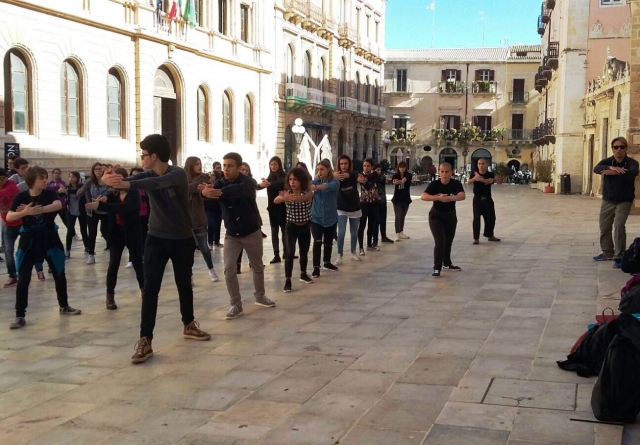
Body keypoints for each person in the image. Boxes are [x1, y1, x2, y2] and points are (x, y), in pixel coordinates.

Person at [101, 134, 211, 365]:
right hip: (155, 238)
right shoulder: (147, 173)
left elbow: (153, 184)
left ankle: (188, 323)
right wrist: (109, 180)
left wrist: (126, 183)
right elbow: (138, 180)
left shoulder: (177, 174)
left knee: (184, 283)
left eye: (143, 155)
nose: (141, 159)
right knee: (150, 288)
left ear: (154, 156)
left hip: (181, 239)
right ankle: (145, 340)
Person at [201, 152, 276, 320]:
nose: (226, 169)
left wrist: (215, 191)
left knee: (257, 266)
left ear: (238, 167)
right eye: (224, 165)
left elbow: (236, 191)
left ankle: (260, 296)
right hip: (231, 234)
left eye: (230, 166)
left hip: (251, 231)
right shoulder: (219, 183)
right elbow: (208, 197)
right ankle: (236, 304)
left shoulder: (248, 182)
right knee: (229, 269)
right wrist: (204, 193)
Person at [8, 166, 82, 329]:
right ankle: (20, 315)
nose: (45, 180)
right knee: (24, 279)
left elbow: (57, 205)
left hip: (50, 239)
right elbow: (9, 215)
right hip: (28, 242)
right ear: (32, 180)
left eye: (45, 177)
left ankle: (64, 305)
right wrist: (25, 212)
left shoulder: (49, 193)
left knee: (59, 273)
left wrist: (35, 210)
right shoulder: (21, 197)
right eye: (41, 178)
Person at [86, 168, 144, 310]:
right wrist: (100, 203)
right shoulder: (112, 194)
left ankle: (145, 292)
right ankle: (110, 296)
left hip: (132, 232)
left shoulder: (134, 194)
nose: (116, 182)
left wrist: (102, 205)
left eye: (119, 179)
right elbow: (106, 205)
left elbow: (124, 207)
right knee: (113, 264)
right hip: (116, 233)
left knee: (138, 263)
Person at [593, 137, 640, 268]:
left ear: (626, 149)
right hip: (608, 200)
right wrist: (611, 167)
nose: (619, 149)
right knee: (604, 227)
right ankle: (607, 252)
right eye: (616, 147)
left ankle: (619, 255)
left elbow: (633, 172)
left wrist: (614, 173)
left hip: (624, 200)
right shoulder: (608, 161)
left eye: (622, 147)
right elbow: (596, 168)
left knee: (619, 226)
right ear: (612, 148)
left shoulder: (632, 162)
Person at [421, 163, 465, 277]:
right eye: (442, 171)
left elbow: (462, 195)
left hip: (450, 215)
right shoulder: (434, 184)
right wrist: (438, 198)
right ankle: (437, 267)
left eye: (446, 172)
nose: (444, 174)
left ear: (451, 172)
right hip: (436, 215)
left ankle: (447, 263)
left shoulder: (455, 183)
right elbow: (423, 196)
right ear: (439, 172)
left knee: (448, 241)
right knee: (440, 241)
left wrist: (449, 198)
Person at [275, 168, 313, 292]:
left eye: (295, 179)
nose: (292, 182)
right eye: (290, 179)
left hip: (305, 226)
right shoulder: (287, 192)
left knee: (304, 251)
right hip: (291, 227)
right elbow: (276, 200)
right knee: (290, 253)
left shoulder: (307, 192)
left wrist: (289, 198)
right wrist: (282, 198)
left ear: (301, 180)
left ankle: (303, 274)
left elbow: (304, 198)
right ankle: (288, 280)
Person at [184, 156, 219, 282]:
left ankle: (211, 269)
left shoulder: (204, 177)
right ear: (190, 165)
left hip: (198, 218)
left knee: (204, 246)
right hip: (185, 221)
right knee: (188, 249)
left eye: (200, 163)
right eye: (196, 164)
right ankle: (189, 275)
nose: (199, 166)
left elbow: (191, 187)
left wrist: (184, 187)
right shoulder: (183, 177)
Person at [309, 159, 340, 278]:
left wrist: (316, 185)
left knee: (328, 242)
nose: (320, 171)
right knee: (317, 241)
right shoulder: (315, 181)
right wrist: (316, 180)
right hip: (316, 217)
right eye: (318, 170)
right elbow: (309, 185)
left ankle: (327, 262)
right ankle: (316, 267)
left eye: (322, 169)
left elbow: (326, 186)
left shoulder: (335, 182)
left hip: (330, 217)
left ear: (328, 170)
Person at [467, 158, 501, 245]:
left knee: (491, 218)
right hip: (477, 199)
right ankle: (476, 238)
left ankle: (490, 235)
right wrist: (475, 178)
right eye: (479, 164)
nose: (481, 165)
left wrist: (481, 179)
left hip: (488, 199)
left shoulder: (490, 174)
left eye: (483, 163)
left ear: (487, 165)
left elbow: (491, 181)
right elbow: (468, 182)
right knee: (476, 219)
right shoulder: (474, 174)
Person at [335, 155, 362, 264]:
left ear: (349, 164)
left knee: (354, 232)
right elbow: (328, 177)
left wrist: (347, 175)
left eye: (345, 163)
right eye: (341, 164)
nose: (343, 166)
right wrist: (333, 175)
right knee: (341, 232)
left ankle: (353, 252)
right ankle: (339, 255)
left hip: (354, 207)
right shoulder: (336, 176)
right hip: (341, 208)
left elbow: (353, 174)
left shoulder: (353, 174)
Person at [82, 162, 110, 265]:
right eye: (96, 169)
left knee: (106, 231)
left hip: (106, 210)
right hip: (93, 211)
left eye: (99, 169)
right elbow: (81, 191)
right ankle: (91, 255)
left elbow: (113, 191)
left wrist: (107, 197)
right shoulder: (90, 181)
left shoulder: (107, 180)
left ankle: (111, 248)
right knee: (92, 233)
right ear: (93, 171)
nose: (98, 171)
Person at [0, 168, 21, 287]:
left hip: (22, 222)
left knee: (32, 247)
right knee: (8, 251)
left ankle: (41, 268)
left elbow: (7, 192)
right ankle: (13, 276)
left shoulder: (11, 185)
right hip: (8, 224)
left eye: (2, 179)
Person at [126, 166, 149, 268]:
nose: (135, 176)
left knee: (144, 236)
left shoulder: (146, 186)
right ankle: (132, 258)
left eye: (138, 174)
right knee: (133, 238)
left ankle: (144, 256)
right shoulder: (129, 187)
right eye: (134, 174)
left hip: (145, 214)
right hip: (133, 215)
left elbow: (148, 198)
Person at [265, 156, 287, 263]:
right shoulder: (268, 178)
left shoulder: (284, 176)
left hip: (283, 207)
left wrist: (271, 185)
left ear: (279, 165)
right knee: (274, 231)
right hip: (272, 208)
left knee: (284, 231)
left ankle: (286, 253)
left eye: (275, 164)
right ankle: (276, 254)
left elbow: (284, 183)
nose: (273, 166)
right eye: (271, 164)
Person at [357, 158, 380, 254]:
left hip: (374, 202)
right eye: (364, 166)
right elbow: (366, 185)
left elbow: (369, 185)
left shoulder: (374, 174)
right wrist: (362, 180)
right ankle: (361, 247)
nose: (366, 168)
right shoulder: (359, 175)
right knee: (362, 225)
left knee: (372, 224)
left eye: (368, 166)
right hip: (364, 203)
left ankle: (369, 244)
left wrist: (362, 181)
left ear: (372, 167)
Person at [64, 171, 88, 258]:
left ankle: (87, 247)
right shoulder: (67, 187)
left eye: (73, 177)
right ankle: (68, 250)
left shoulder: (81, 186)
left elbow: (77, 191)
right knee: (70, 230)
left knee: (84, 230)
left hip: (81, 211)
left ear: (77, 178)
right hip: (71, 211)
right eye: (69, 176)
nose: (71, 178)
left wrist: (67, 191)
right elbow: (61, 193)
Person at [373, 163, 394, 245]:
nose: (378, 171)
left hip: (383, 201)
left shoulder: (382, 177)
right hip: (375, 202)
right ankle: (375, 239)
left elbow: (380, 181)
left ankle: (384, 236)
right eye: (376, 170)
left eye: (379, 170)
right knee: (376, 221)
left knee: (383, 219)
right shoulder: (372, 178)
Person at [391, 161, 413, 241]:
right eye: (400, 167)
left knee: (402, 216)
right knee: (398, 216)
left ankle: (401, 232)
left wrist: (402, 180)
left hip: (406, 199)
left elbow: (406, 178)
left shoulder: (408, 175)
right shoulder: (395, 175)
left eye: (403, 167)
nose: (402, 169)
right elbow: (393, 181)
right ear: (398, 168)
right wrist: (395, 182)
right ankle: (397, 233)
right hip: (397, 199)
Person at [205, 161, 223, 249]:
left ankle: (216, 241)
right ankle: (210, 241)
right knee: (211, 223)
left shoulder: (220, 182)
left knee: (218, 224)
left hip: (218, 206)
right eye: (217, 168)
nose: (211, 176)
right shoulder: (206, 184)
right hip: (208, 207)